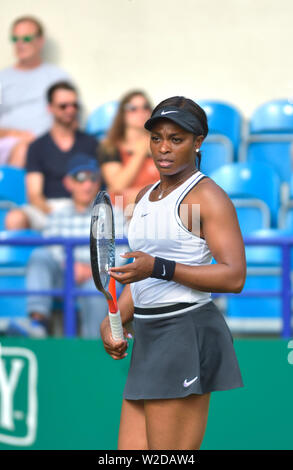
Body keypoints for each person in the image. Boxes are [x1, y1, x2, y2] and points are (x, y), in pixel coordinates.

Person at [100, 96, 246, 450]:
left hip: (185, 333)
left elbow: (234, 276)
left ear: (198, 143)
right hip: (149, 337)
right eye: (157, 138)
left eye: (176, 139)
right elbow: (143, 276)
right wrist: (114, 321)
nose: (164, 148)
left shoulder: (209, 198)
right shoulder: (141, 198)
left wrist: (159, 267)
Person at [22, 154, 127, 338]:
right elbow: (50, 248)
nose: (87, 184)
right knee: (39, 256)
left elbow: (123, 252)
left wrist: (93, 271)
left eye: (93, 178)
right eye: (80, 178)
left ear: (98, 182)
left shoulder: (114, 214)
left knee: (96, 289)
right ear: (68, 182)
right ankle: (37, 322)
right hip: (64, 274)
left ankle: (93, 348)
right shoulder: (57, 215)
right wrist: (69, 266)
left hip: (99, 278)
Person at [5, 81, 98, 231]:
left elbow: (99, 185)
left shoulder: (92, 144)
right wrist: (58, 215)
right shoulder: (37, 146)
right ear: (50, 108)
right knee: (15, 218)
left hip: (84, 206)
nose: (70, 110)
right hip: (48, 208)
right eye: (63, 106)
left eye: (74, 105)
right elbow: (35, 195)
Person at [0, 16, 72, 167]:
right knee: (23, 149)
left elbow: (71, 115)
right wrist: (15, 134)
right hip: (7, 145)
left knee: (26, 149)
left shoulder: (57, 77)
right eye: (15, 39)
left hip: (47, 145)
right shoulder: (3, 78)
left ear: (40, 41)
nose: (20, 44)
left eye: (26, 38)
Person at [97, 90, 160, 211]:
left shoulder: (161, 145)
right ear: (122, 114)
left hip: (157, 209)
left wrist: (137, 194)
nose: (140, 112)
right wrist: (140, 153)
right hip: (124, 213)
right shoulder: (110, 146)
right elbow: (117, 185)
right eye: (133, 108)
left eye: (145, 107)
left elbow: (174, 186)